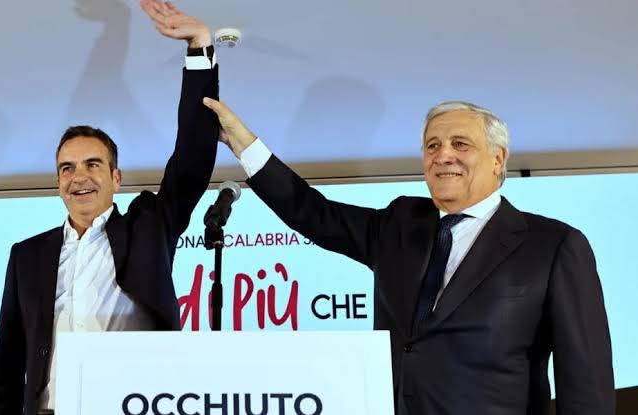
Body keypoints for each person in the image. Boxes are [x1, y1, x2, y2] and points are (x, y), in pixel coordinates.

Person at [202, 98, 615, 414]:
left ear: (498, 158)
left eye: (460, 144)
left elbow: (586, 382)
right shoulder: (400, 223)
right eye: (432, 145)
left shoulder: (553, 245)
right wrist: (242, 142)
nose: (443, 155)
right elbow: (312, 213)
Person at [0, 1, 218, 413]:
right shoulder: (27, 256)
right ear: (58, 182)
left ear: (116, 178)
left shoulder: (148, 228)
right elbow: (7, 364)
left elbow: (191, 160)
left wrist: (199, 48)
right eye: (67, 168)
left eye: (93, 165)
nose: (79, 177)